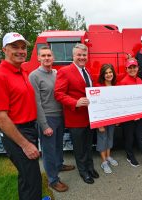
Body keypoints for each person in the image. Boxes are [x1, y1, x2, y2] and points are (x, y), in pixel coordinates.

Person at [0, 32, 45, 200]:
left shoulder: (21, 71)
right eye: (14, 47)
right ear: (4, 49)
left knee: (28, 176)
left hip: (28, 129)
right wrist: (25, 144)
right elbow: (0, 117)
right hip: (17, 134)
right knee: (31, 180)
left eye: (23, 47)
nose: (20, 51)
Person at [29, 46, 75, 193]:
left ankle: (59, 165)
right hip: (47, 117)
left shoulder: (56, 73)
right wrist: (44, 125)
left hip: (59, 116)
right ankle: (53, 180)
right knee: (48, 150)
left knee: (58, 145)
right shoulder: (34, 76)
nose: (47, 58)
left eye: (49, 55)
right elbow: (36, 102)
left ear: (53, 57)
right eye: (43, 55)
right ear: (38, 58)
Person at [54, 43, 99, 184]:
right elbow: (58, 94)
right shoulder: (65, 71)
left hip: (89, 117)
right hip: (75, 118)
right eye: (79, 55)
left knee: (88, 146)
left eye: (84, 55)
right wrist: (75, 102)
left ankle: (90, 167)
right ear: (73, 56)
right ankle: (83, 172)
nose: (82, 57)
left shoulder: (87, 71)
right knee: (79, 149)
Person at [95, 64, 119, 174]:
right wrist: (99, 124)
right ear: (102, 75)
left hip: (112, 119)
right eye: (106, 73)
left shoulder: (115, 86)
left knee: (110, 138)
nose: (109, 75)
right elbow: (95, 107)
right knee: (102, 139)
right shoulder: (98, 87)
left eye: (110, 72)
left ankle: (108, 156)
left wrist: (118, 118)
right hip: (101, 120)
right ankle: (104, 162)